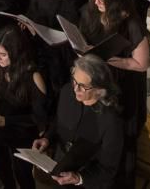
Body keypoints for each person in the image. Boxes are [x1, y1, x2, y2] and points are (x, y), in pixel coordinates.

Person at [80, 0, 150, 181]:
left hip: (120, 86)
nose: (96, 2)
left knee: (117, 139)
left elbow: (141, 64)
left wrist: (109, 58)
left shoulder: (131, 23)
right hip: (96, 81)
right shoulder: (92, 11)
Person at [31, 55, 124, 188]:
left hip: (86, 179)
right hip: (59, 165)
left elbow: (108, 169)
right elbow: (59, 121)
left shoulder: (111, 121)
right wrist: (47, 138)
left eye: (83, 86)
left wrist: (79, 178)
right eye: (75, 81)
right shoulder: (67, 91)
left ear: (99, 89)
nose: (75, 89)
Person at [0, 25, 48, 189]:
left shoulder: (33, 76)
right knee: (0, 167)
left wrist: (6, 121)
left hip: (23, 133)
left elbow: (39, 118)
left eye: (3, 55)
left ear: (16, 53)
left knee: (22, 174)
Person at [24, 0, 82, 94]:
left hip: (58, 48)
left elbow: (67, 24)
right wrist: (27, 22)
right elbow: (32, 10)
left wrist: (40, 27)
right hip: (37, 42)